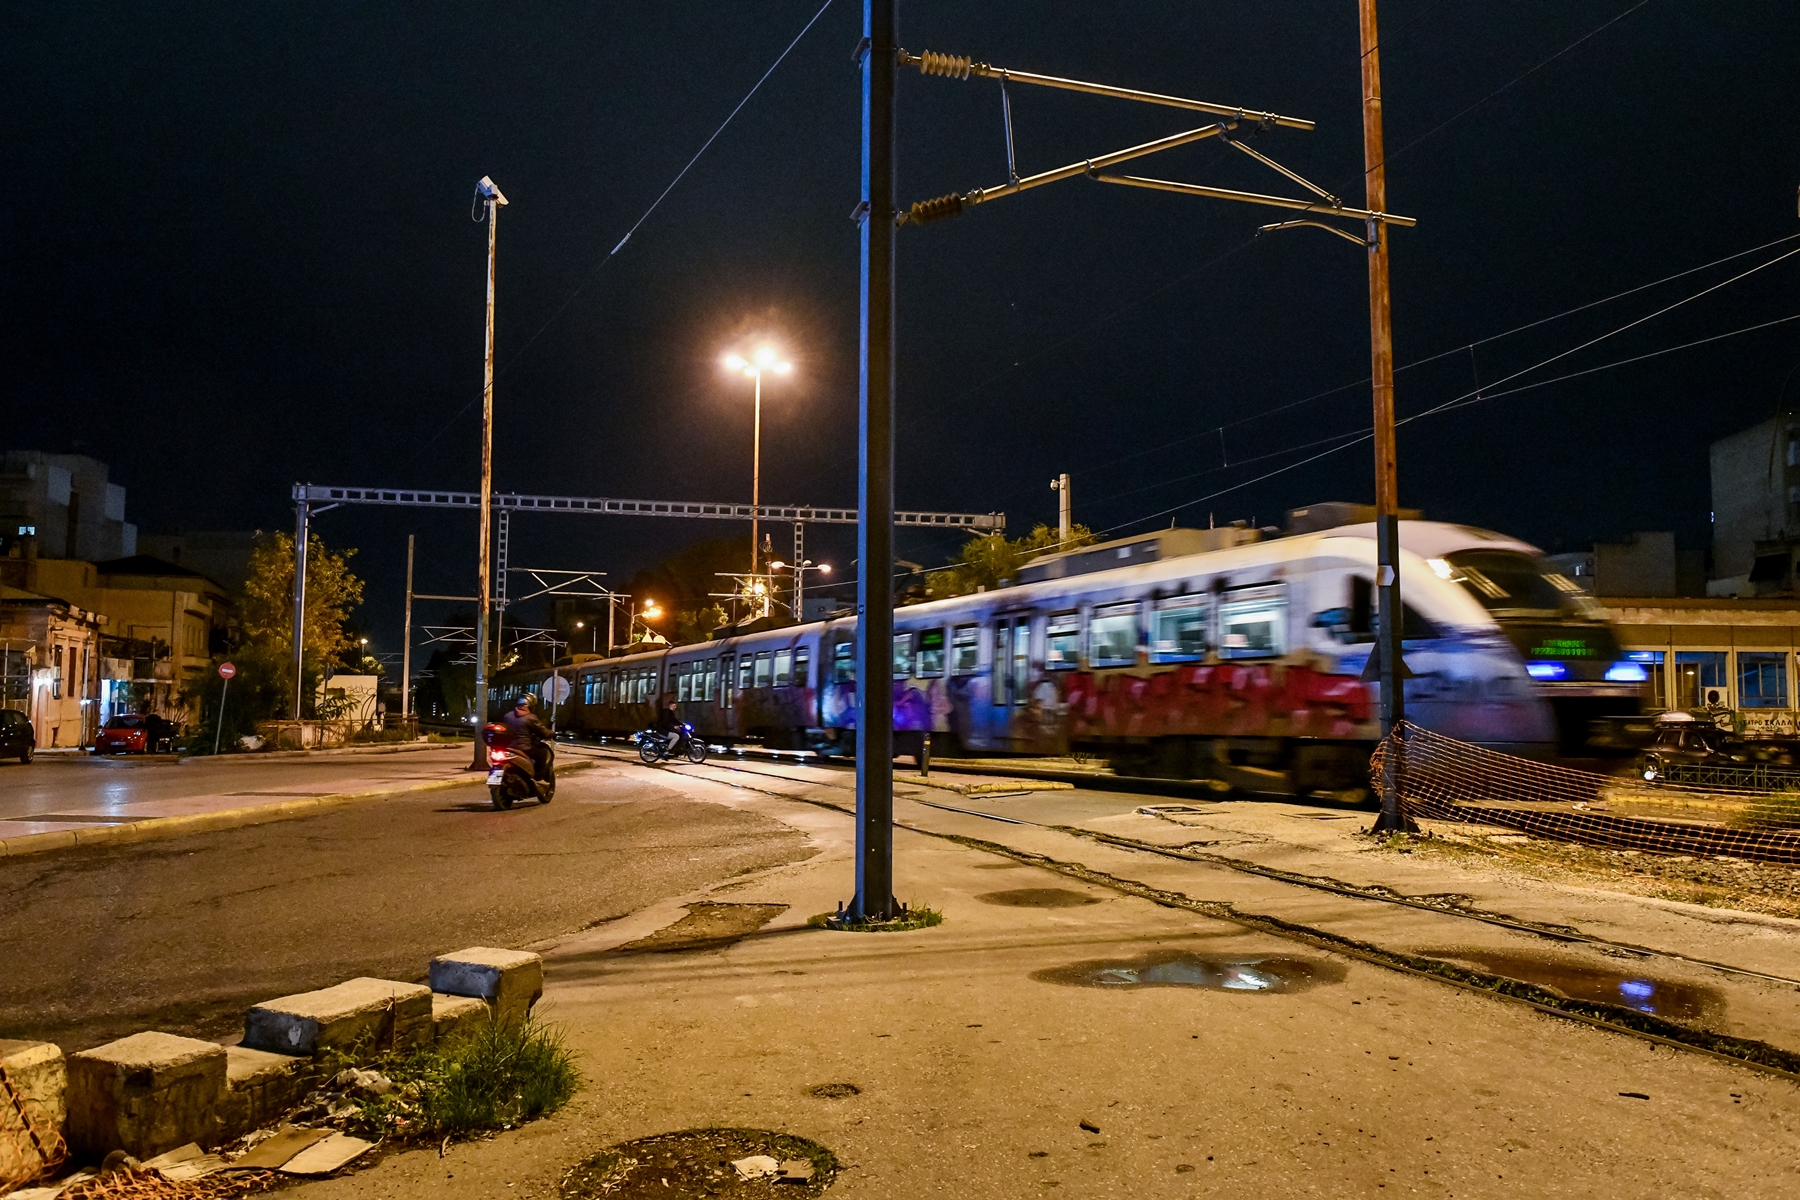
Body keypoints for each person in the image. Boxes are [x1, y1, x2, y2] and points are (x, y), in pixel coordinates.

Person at [502, 695, 553, 784]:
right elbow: (543, 732)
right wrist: (553, 734)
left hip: (508, 747)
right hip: (524, 748)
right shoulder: (530, 718)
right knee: (543, 752)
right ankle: (539, 777)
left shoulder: (508, 716)